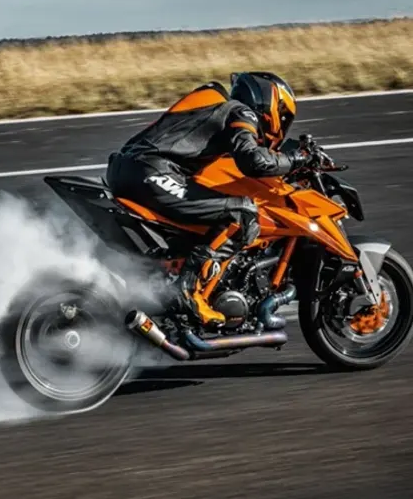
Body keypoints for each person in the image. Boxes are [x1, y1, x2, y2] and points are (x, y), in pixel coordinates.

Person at [105, 71, 311, 328]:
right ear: (270, 102)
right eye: (284, 116)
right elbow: (253, 160)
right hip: (149, 171)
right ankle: (189, 290)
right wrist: (297, 159)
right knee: (243, 213)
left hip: (131, 169)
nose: (282, 124)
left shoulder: (216, 113)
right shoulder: (240, 112)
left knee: (212, 214)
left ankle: (172, 279)